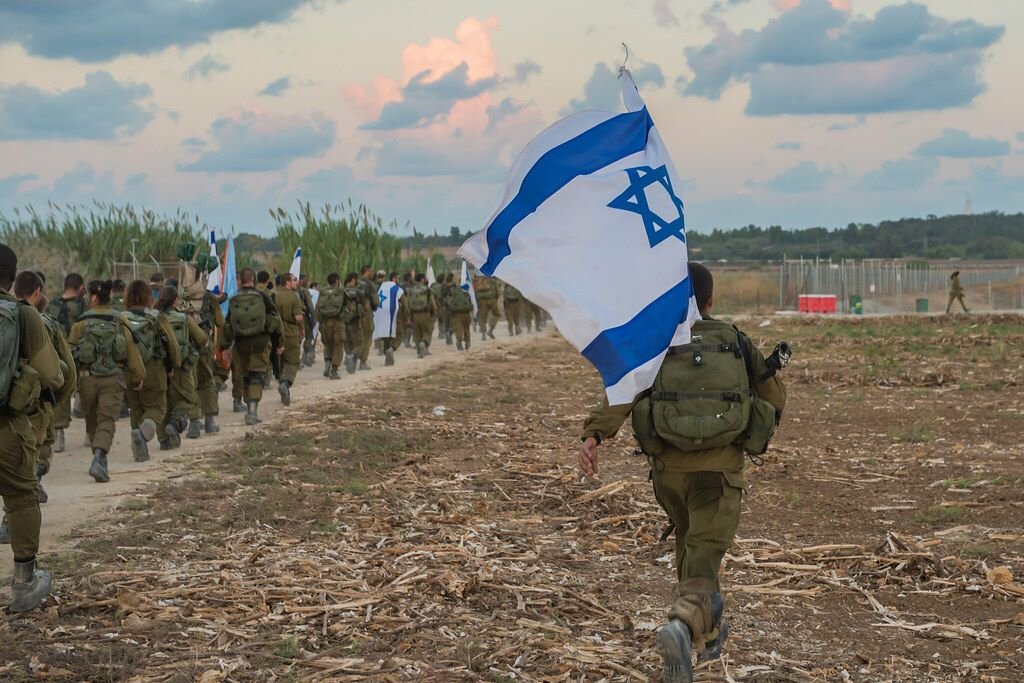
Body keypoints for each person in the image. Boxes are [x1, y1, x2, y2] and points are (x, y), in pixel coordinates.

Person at [578, 263, 787, 681]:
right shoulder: (735, 340)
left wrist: (594, 435)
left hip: (668, 475)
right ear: (709, 300)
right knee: (703, 554)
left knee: (693, 547)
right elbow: (774, 399)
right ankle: (681, 625)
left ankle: (707, 636)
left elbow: (624, 392)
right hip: (719, 474)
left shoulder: (656, 343)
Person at [0, 244, 64, 612]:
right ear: (12, 278)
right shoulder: (23, 315)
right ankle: (24, 583)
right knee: (22, 497)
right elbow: (53, 374)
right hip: (7, 426)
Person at [70, 280, 146, 481]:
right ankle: (99, 457)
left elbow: (70, 355)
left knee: (92, 421)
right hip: (114, 379)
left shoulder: (80, 323)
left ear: (94, 297)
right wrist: (138, 376)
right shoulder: (120, 320)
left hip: (87, 380)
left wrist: (70, 386)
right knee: (107, 419)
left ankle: (98, 458)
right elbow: (132, 350)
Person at [13, 272, 77, 506]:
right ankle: (28, 492)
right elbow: (65, 372)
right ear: (38, 292)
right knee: (38, 447)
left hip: (6, 400)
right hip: (36, 401)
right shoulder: (47, 324)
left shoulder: (6, 318)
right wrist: (57, 399)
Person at [121, 280, 179, 460]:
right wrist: (172, 365)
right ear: (148, 296)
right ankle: (143, 434)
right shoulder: (157, 317)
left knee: (135, 408)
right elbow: (172, 345)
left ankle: (140, 449)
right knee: (157, 408)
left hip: (129, 371)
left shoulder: (120, 318)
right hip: (154, 369)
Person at [220, 268, 281, 426]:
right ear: (253, 279)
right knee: (257, 376)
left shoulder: (234, 299)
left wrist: (225, 347)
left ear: (240, 280)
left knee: (246, 376)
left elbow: (228, 325)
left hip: (240, 344)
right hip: (260, 342)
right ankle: (252, 412)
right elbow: (276, 318)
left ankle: (248, 408)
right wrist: (279, 341)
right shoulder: (263, 296)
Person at [156, 286, 207, 441]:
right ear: (175, 301)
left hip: (160, 367)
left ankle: (164, 440)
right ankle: (176, 422)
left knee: (164, 402)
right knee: (187, 398)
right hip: (183, 367)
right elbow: (201, 339)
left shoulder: (154, 318)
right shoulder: (183, 318)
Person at [47, 273, 86, 451]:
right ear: (80, 287)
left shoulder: (52, 305)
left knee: (61, 392)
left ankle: (58, 434)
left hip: (59, 354)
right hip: (80, 353)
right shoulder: (82, 305)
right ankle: (91, 433)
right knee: (86, 390)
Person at [196, 288, 225, 433]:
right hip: (204, 344)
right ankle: (209, 421)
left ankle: (194, 422)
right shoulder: (208, 296)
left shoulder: (179, 294)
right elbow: (220, 321)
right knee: (207, 381)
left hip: (184, 347)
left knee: (190, 383)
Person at [275, 273, 305, 406]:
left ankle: (283, 386)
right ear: (287, 282)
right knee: (292, 362)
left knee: (281, 362)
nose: (296, 282)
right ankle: (285, 384)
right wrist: (302, 328)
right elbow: (298, 317)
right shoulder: (294, 296)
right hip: (291, 333)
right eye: (294, 280)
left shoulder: (273, 294)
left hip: (276, 333)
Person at [315, 273, 347, 380]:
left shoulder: (322, 292)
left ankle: (328, 361)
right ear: (337, 281)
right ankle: (334, 370)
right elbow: (349, 307)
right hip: (338, 323)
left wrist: (320, 323)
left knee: (328, 344)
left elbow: (317, 309)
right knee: (338, 345)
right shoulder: (341, 291)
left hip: (325, 323)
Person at [341, 273, 366, 374]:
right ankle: (352, 356)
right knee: (359, 343)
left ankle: (349, 359)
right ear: (353, 280)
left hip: (343, 322)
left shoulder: (341, 291)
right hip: (355, 322)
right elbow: (365, 305)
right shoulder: (358, 292)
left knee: (347, 343)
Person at [406, 274, 436, 359]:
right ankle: (424, 343)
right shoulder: (427, 289)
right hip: (425, 314)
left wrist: (410, 316)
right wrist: (434, 312)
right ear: (422, 279)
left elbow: (408, 304)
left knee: (417, 334)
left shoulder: (410, 290)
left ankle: (419, 352)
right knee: (427, 331)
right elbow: (433, 303)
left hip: (414, 315)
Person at [357, 266, 378, 371]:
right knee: (367, 337)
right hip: (366, 313)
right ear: (367, 271)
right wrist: (374, 306)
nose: (373, 273)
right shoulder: (369, 284)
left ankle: (352, 356)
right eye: (372, 271)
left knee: (356, 337)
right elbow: (376, 300)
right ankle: (363, 362)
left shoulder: (356, 282)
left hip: (355, 314)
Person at [447, 279, 474, 351]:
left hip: (456, 314)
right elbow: (470, 303)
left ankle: (459, 341)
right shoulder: (467, 291)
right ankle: (467, 342)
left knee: (458, 328)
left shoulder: (453, 291)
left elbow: (449, 302)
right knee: (466, 328)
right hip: (466, 313)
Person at [298, 274, 316, 367]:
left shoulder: (292, 290)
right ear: (300, 280)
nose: (307, 282)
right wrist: (314, 318)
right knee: (309, 336)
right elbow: (310, 306)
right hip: (303, 317)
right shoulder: (304, 291)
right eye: (305, 280)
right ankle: (304, 356)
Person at [474, 274, 500, 340]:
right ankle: (491, 330)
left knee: (482, 317)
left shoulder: (480, 280)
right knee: (497, 314)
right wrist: (495, 299)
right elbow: (497, 292)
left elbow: (476, 291)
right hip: (492, 300)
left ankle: (483, 335)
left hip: (482, 301)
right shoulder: (493, 281)